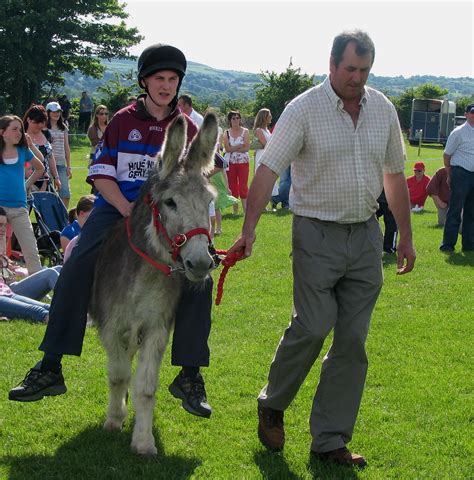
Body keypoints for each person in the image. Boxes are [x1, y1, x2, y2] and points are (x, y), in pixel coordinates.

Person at [229, 30, 415, 468]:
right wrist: (249, 229)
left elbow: (394, 176)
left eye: (364, 71)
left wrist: (405, 235)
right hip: (315, 232)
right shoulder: (303, 109)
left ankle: (329, 441)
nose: (357, 78)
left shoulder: (383, 109)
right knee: (312, 326)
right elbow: (268, 169)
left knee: (352, 342)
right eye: (350, 69)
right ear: (331, 64)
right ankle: (273, 403)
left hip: (366, 236)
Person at [9, 44, 214, 419]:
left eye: (172, 79)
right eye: (159, 79)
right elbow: (102, 172)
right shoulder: (123, 120)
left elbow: (197, 177)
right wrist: (124, 208)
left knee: (200, 275)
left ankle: (189, 374)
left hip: (168, 213)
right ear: (144, 82)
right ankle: (51, 366)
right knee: (77, 264)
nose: (166, 86)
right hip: (120, 204)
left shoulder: (189, 127)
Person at [0, 115, 45, 274]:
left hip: (19, 208)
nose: (19, 132)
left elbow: (41, 167)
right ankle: (4, 286)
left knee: (31, 251)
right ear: (2, 132)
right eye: (14, 129)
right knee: (0, 253)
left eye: (20, 129)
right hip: (0, 209)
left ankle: (38, 284)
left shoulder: (23, 151)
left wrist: (26, 185)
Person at [440, 103, 474, 252]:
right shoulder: (458, 132)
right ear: (466, 114)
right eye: (472, 112)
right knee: (455, 209)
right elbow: (447, 155)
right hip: (461, 173)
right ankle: (448, 245)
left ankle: (469, 245)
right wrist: (449, 173)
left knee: (471, 212)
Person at [23, 105, 61, 193]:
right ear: (28, 120)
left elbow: (51, 157)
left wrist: (56, 177)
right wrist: (27, 171)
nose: (40, 125)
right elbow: (24, 158)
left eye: (42, 122)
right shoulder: (22, 137)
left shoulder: (47, 134)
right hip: (28, 180)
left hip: (45, 180)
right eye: (37, 122)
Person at [223, 110, 250, 215]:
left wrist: (233, 148)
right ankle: (235, 211)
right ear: (230, 120)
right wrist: (238, 146)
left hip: (243, 162)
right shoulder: (226, 133)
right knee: (233, 186)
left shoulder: (246, 131)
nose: (236, 120)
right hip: (231, 162)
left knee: (243, 185)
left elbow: (247, 147)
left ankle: (245, 210)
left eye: (237, 118)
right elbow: (227, 148)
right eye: (233, 118)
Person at [46, 101, 72, 207]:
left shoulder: (63, 127)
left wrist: (69, 166)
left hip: (61, 164)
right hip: (47, 164)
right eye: (53, 111)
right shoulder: (43, 127)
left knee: (65, 193)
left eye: (58, 111)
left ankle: (63, 219)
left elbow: (66, 147)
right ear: (48, 113)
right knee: (48, 194)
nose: (56, 114)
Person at [376, 189, 398, 253]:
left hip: (387, 199)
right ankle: (384, 246)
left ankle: (389, 247)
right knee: (371, 224)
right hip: (377, 199)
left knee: (391, 224)